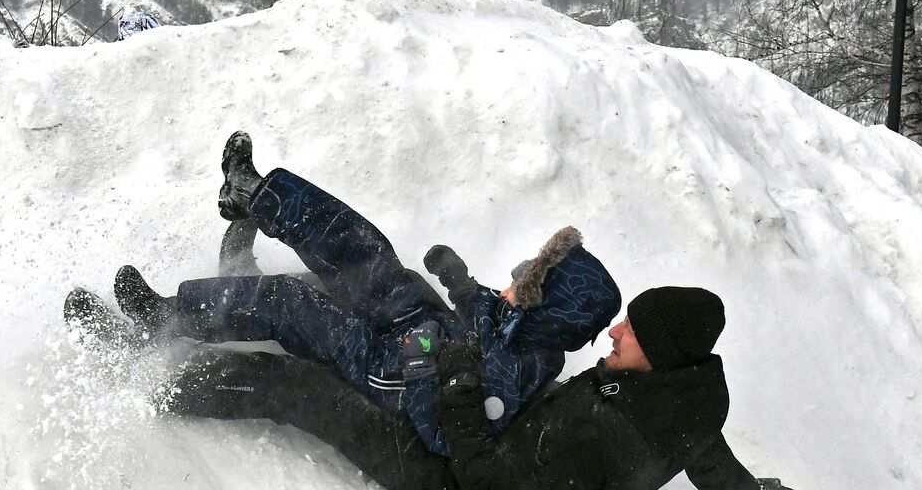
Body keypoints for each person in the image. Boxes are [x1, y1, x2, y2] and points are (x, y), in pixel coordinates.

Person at [114, 132, 622, 455]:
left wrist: (421, 363)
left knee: (295, 303)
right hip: (422, 329)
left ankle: (164, 319)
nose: (516, 274)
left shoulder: (518, 370)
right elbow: (484, 322)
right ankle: (254, 194)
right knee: (364, 252)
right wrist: (462, 284)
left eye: (529, 275)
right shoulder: (525, 326)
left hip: (391, 368)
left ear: (543, 306)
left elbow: (447, 433)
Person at [162, 286, 812, 490]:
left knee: (299, 387)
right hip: (500, 442)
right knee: (380, 338)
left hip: (448, 485)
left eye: (632, 330)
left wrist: (458, 390)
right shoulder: (692, 400)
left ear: (664, 353)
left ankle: (162, 392)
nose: (613, 330)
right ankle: (200, 312)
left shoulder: (609, 432)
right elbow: (712, 461)